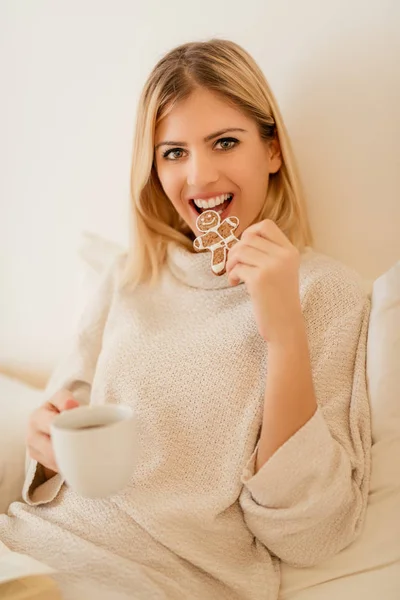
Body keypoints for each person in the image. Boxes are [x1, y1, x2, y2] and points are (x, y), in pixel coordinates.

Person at [0, 38, 372, 600]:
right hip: (28, 547)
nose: (199, 176)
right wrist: (45, 445)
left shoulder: (329, 293)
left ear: (271, 150)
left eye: (225, 142)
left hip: (153, 582)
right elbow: (57, 442)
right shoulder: (128, 278)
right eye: (173, 152)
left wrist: (284, 333)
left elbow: (311, 535)